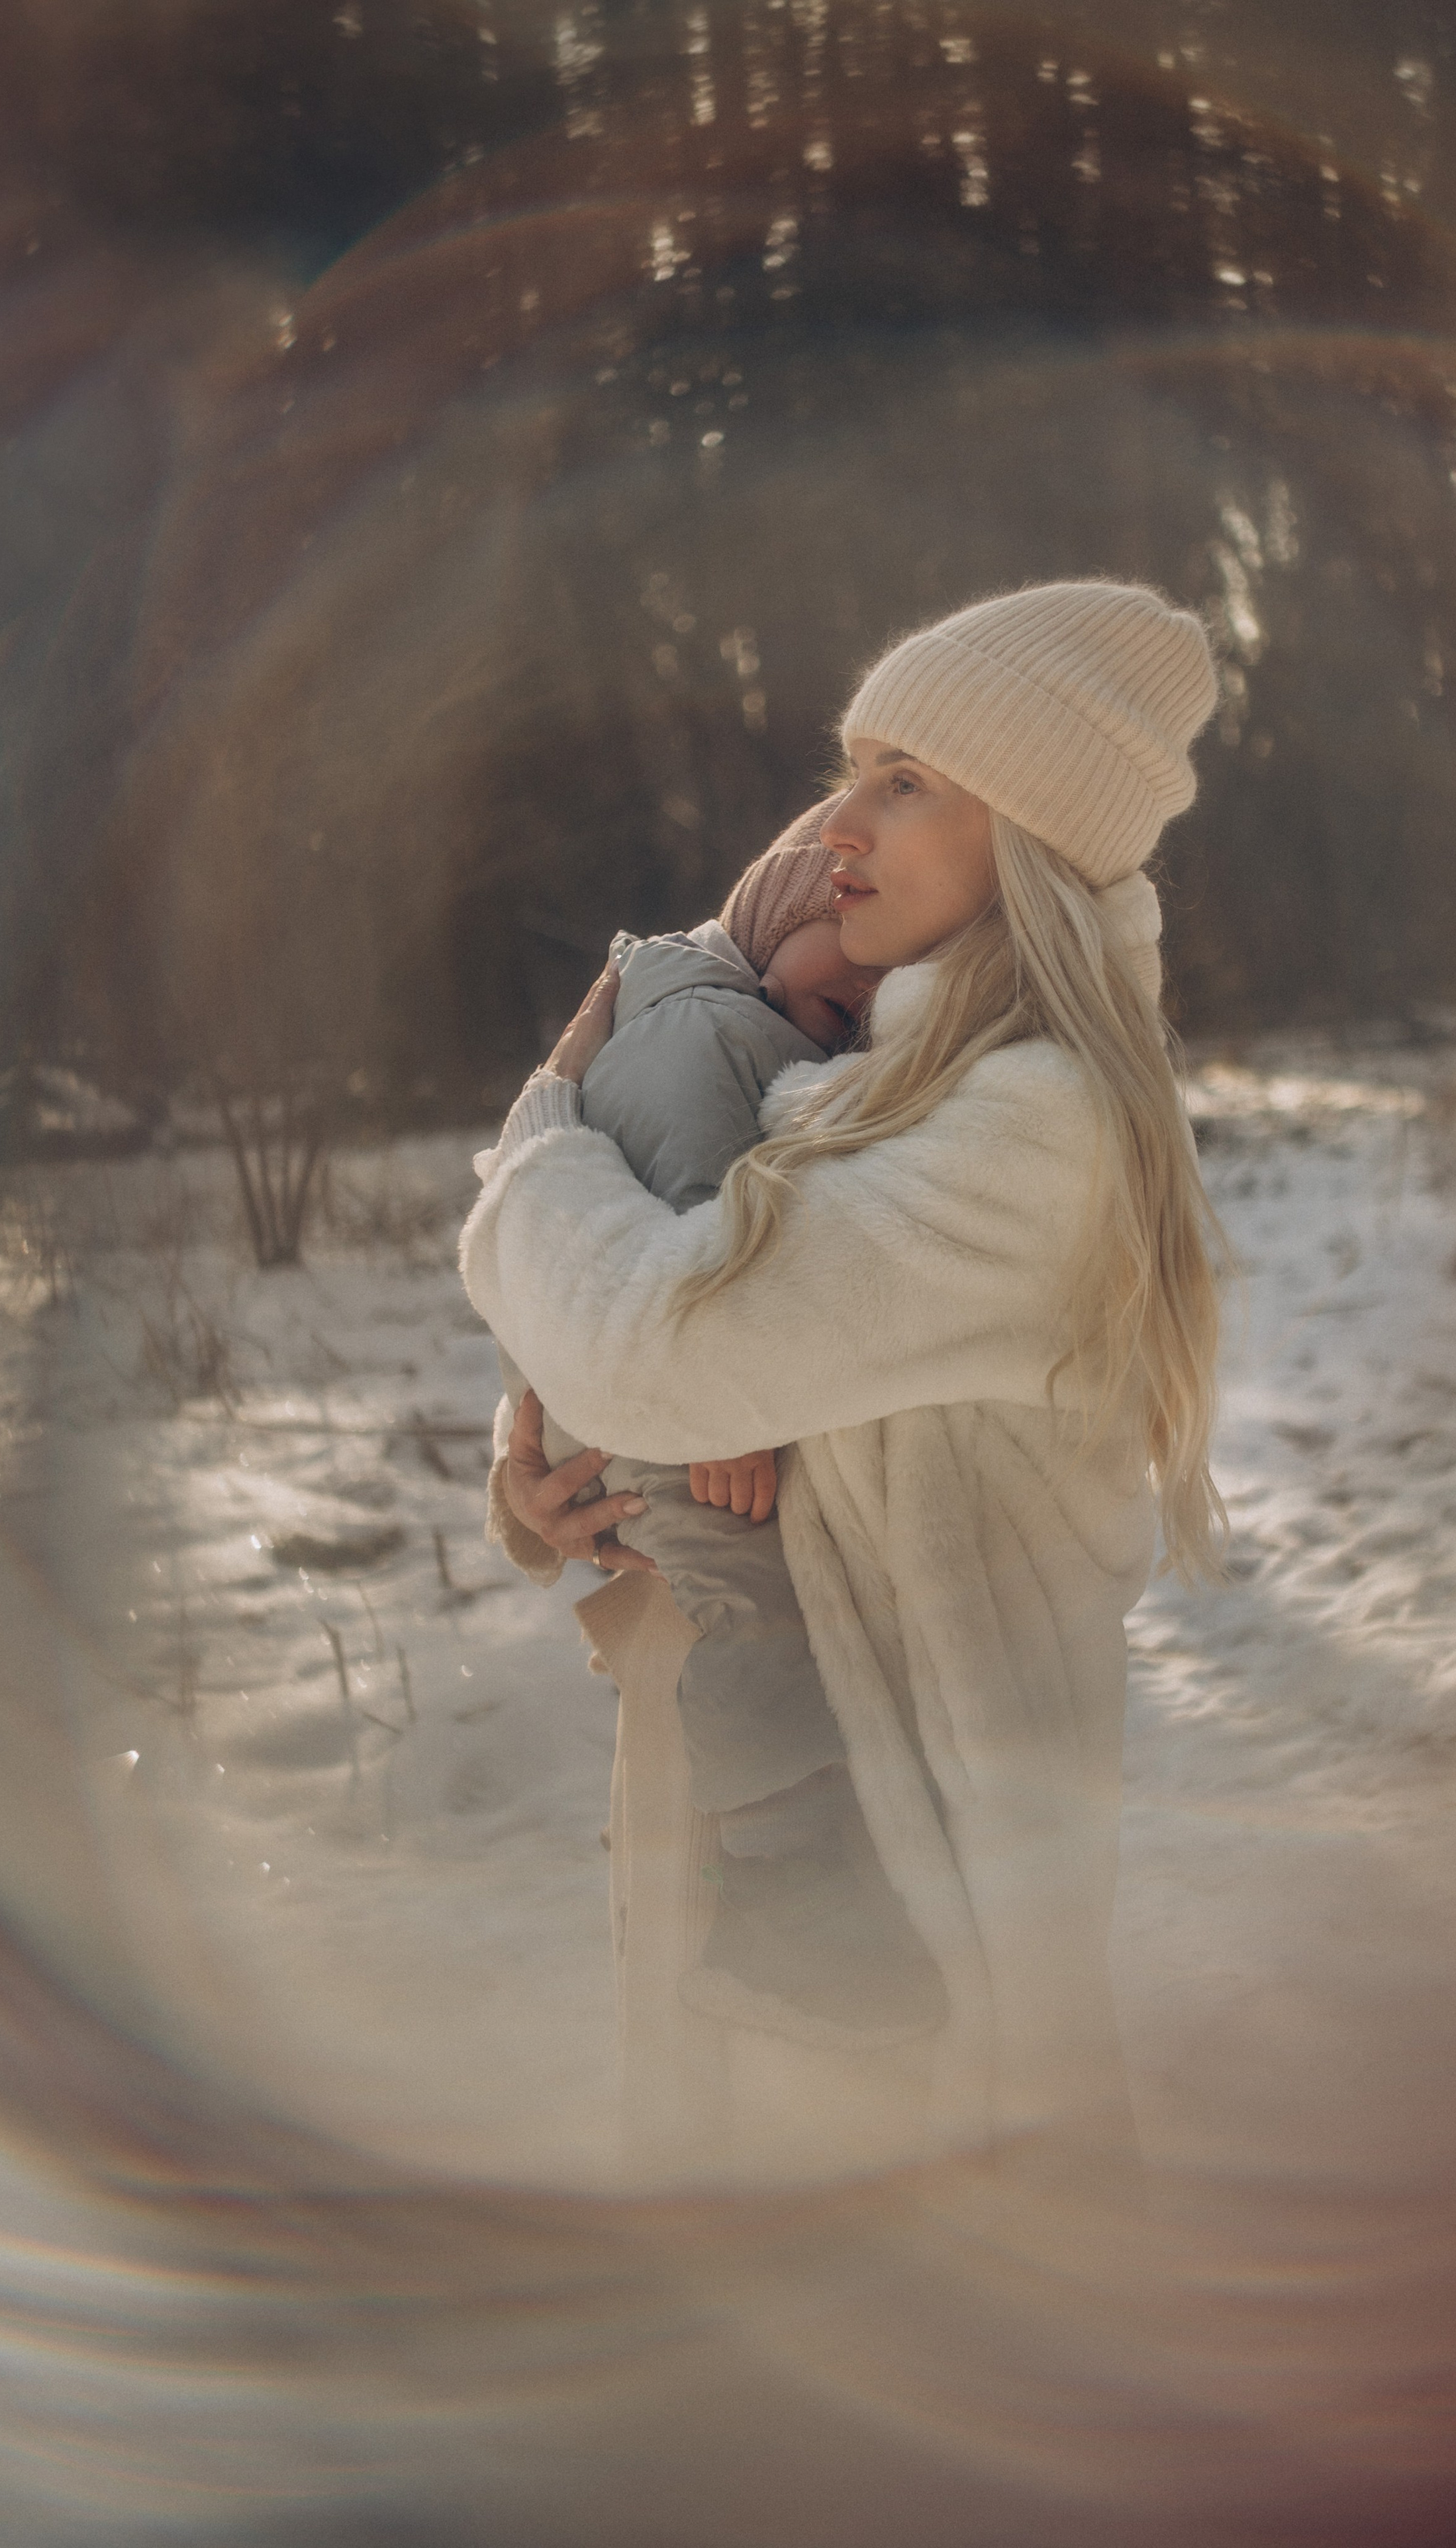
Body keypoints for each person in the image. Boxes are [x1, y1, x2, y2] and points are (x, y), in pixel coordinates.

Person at [463, 579, 1224, 2145]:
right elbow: (696, 1351)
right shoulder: (879, 1066)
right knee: (729, 2337)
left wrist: (547, 1106)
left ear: (1027, 835)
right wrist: (550, 1479)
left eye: (902, 782)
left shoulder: (1040, 1126)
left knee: (899, 2344)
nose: (832, 828)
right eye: (849, 770)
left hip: (908, 1885)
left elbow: (659, 1343)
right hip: (775, 1819)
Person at [485, 808, 944, 2043]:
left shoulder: (933, 1066)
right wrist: (538, 1476)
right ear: (772, 918)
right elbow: (622, 1247)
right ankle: (787, 1900)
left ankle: (793, 1906)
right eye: (842, 936)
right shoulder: (706, 1027)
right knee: (727, 2103)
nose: (862, 982)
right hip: (715, 1616)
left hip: (894, 1680)